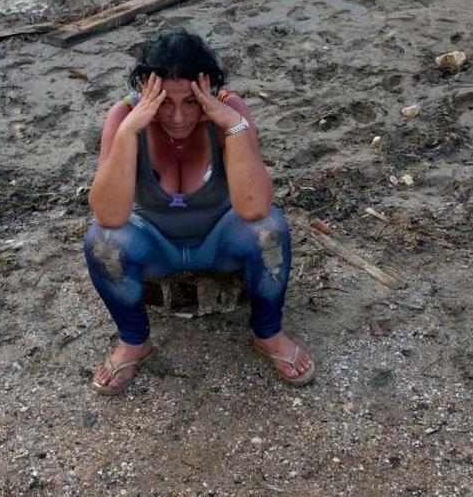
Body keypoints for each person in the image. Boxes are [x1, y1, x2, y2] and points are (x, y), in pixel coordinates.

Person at [84, 30, 314, 395]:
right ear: (146, 92)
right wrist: (129, 132)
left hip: (220, 239)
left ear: (206, 92)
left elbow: (254, 207)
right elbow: (108, 216)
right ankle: (134, 341)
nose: (177, 117)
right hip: (154, 243)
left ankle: (268, 332)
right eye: (164, 102)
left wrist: (232, 125)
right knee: (103, 242)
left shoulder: (230, 111)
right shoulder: (124, 117)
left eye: (190, 102)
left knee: (270, 229)